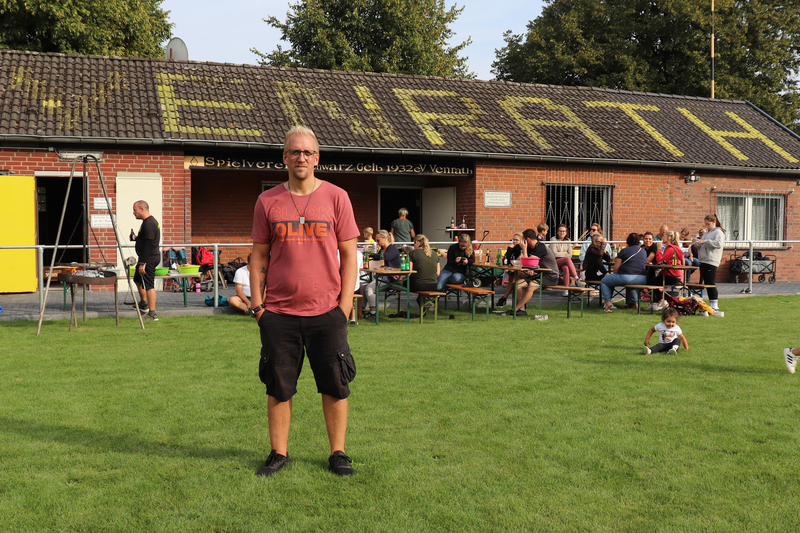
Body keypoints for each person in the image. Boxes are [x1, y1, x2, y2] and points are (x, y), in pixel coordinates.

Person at [249, 126, 359, 478]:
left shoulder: (337, 197)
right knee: (278, 387)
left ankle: (338, 453)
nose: (301, 157)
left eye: (307, 152)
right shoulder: (268, 201)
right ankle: (278, 453)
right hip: (278, 313)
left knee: (335, 384)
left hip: (327, 311)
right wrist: (258, 307)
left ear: (317, 158)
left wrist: (344, 307)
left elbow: (349, 256)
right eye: (295, 152)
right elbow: (258, 256)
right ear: (284, 157)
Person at [506, 229, 559, 317]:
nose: (522, 242)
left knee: (531, 285)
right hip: (539, 274)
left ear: (528, 239)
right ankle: (522, 310)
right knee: (518, 284)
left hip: (551, 276)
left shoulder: (540, 248)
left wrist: (524, 249)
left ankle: (515, 309)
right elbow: (523, 262)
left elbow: (527, 264)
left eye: (523, 240)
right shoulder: (531, 247)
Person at [601, 232, 647, 312]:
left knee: (604, 281)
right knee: (632, 284)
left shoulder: (624, 251)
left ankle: (607, 302)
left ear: (628, 241)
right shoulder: (643, 251)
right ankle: (635, 304)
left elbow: (616, 268)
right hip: (642, 278)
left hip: (626, 277)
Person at [131, 200, 160, 321]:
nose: (133, 212)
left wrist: (143, 263)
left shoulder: (149, 224)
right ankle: (143, 304)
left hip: (149, 258)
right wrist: (137, 238)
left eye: (135, 210)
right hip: (146, 257)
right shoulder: (148, 222)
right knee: (137, 279)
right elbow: (147, 239)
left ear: (142, 209)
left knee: (149, 285)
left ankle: (152, 314)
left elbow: (148, 244)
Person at [361, 229, 400, 317]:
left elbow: (385, 257)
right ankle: (361, 309)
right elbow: (377, 259)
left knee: (369, 288)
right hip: (380, 276)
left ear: (385, 238)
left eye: (378, 240)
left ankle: (373, 312)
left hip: (390, 277)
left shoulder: (392, 249)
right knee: (363, 286)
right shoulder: (382, 249)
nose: (377, 242)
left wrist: (373, 255)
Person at [695, 214, 726, 317]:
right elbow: (702, 245)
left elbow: (718, 243)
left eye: (708, 224)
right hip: (704, 260)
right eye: (705, 224)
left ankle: (715, 306)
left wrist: (705, 241)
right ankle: (711, 305)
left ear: (714, 223)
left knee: (711, 283)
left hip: (711, 260)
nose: (706, 226)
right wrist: (696, 243)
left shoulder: (718, 232)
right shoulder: (707, 233)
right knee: (707, 283)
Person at [649, 230, 685, 310]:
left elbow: (660, 260)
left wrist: (659, 249)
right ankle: (662, 300)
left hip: (672, 275)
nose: (662, 238)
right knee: (655, 280)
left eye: (664, 236)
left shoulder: (670, 249)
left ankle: (661, 301)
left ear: (668, 238)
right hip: (676, 275)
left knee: (651, 281)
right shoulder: (675, 248)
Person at [409, 234, 440, 312]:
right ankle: (424, 306)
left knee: (400, 283)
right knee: (421, 294)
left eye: (414, 243)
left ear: (417, 242)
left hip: (418, 285)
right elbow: (437, 273)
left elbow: (409, 271)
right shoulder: (434, 254)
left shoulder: (412, 253)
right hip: (433, 285)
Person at [549, 223, 580, 295]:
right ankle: (576, 278)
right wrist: (565, 253)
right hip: (554, 262)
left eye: (564, 231)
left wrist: (560, 253)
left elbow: (570, 255)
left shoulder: (568, 240)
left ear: (566, 232)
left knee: (566, 268)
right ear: (557, 232)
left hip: (563, 262)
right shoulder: (553, 239)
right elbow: (554, 254)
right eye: (560, 231)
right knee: (567, 259)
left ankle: (566, 289)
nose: (562, 233)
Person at [496, 233, 523, 307]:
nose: (514, 242)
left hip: (525, 272)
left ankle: (504, 297)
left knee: (513, 277)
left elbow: (518, 260)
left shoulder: (522, 249)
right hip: (515, 271)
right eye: (513, 240)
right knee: (513, 276)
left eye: (516, 240)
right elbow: (506, 261)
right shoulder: (513, 248)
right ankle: (505, 298)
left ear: (521, 240)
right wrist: (510, 249)